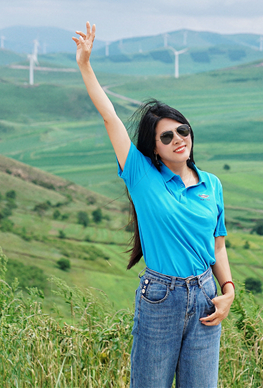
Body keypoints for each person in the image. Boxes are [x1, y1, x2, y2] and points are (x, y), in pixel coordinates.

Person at [73, 22, 235, 388]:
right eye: (167, 136)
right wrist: (85, 65)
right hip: (161, 297)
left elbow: (218, 246)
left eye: (182, 130)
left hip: (207, 297)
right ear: (155, 148)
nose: (178, 138)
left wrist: (228, 292)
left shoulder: (213, 184)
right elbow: (110, 116)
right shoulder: (141, 176)